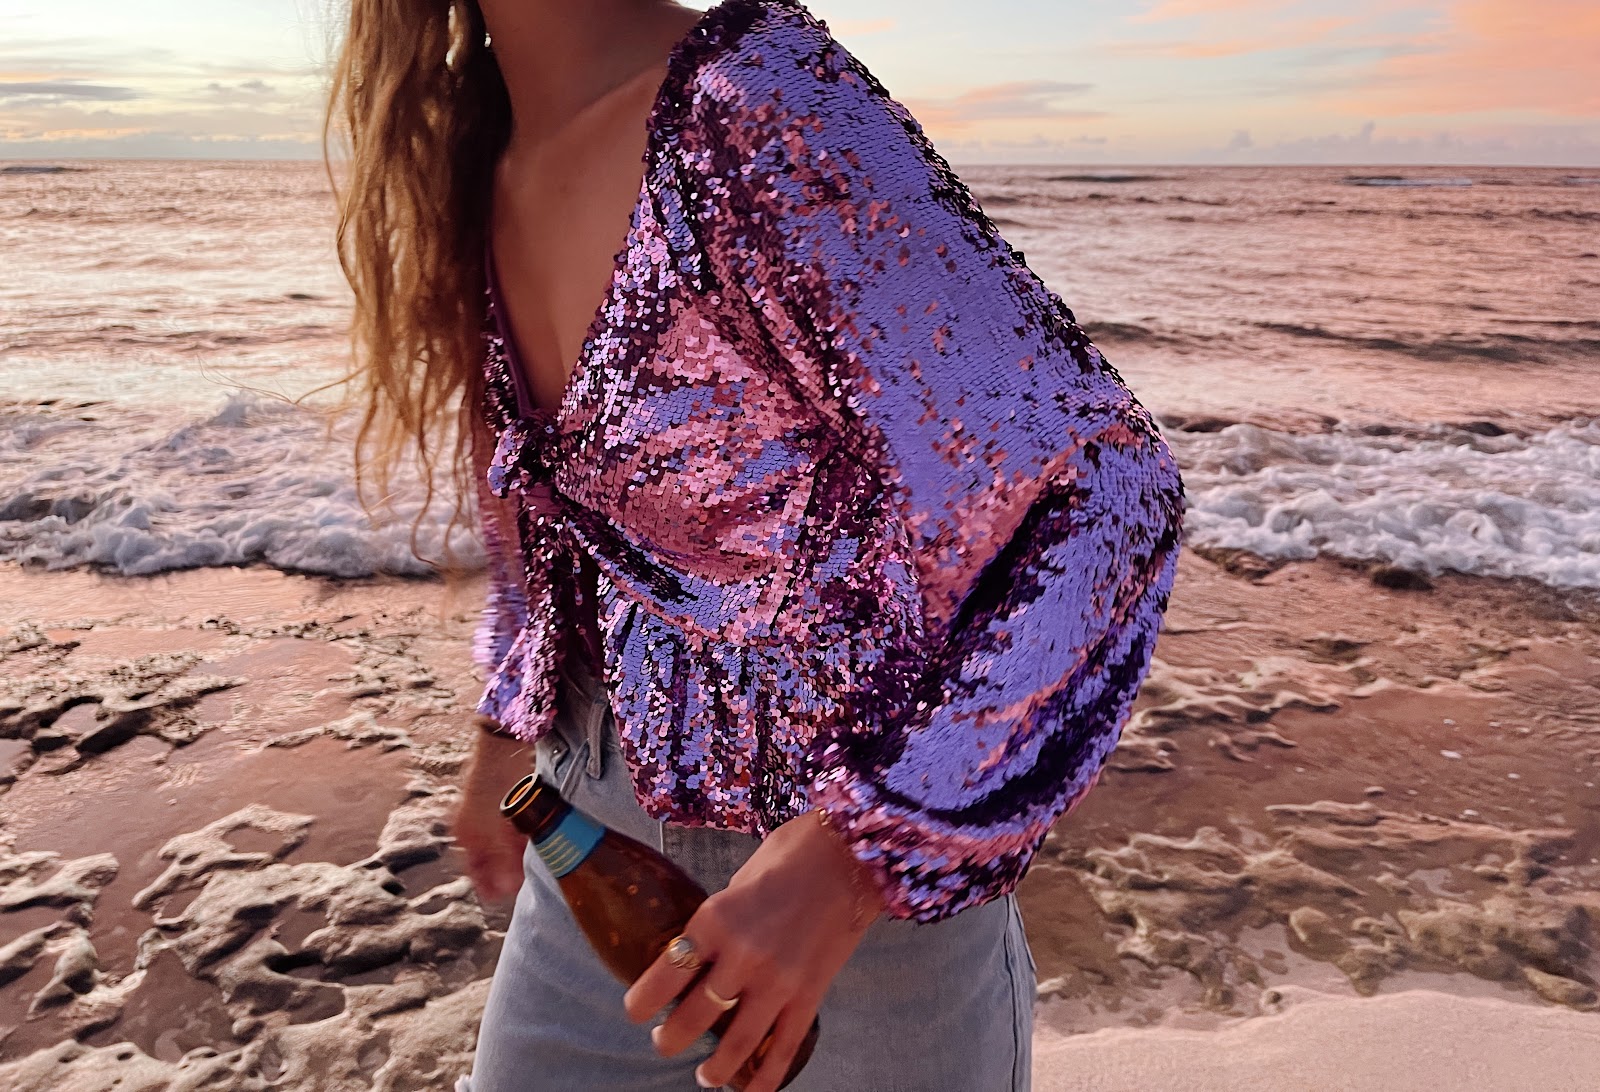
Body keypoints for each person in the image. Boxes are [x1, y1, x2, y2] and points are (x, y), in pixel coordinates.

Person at [327, 0, 1185, 1089]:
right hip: (589, 850)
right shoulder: (479, 152)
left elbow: (1110, 495)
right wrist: (508, 725)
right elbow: (549, 519)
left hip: (851, 929)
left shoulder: (759, 100)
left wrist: (861, 854)